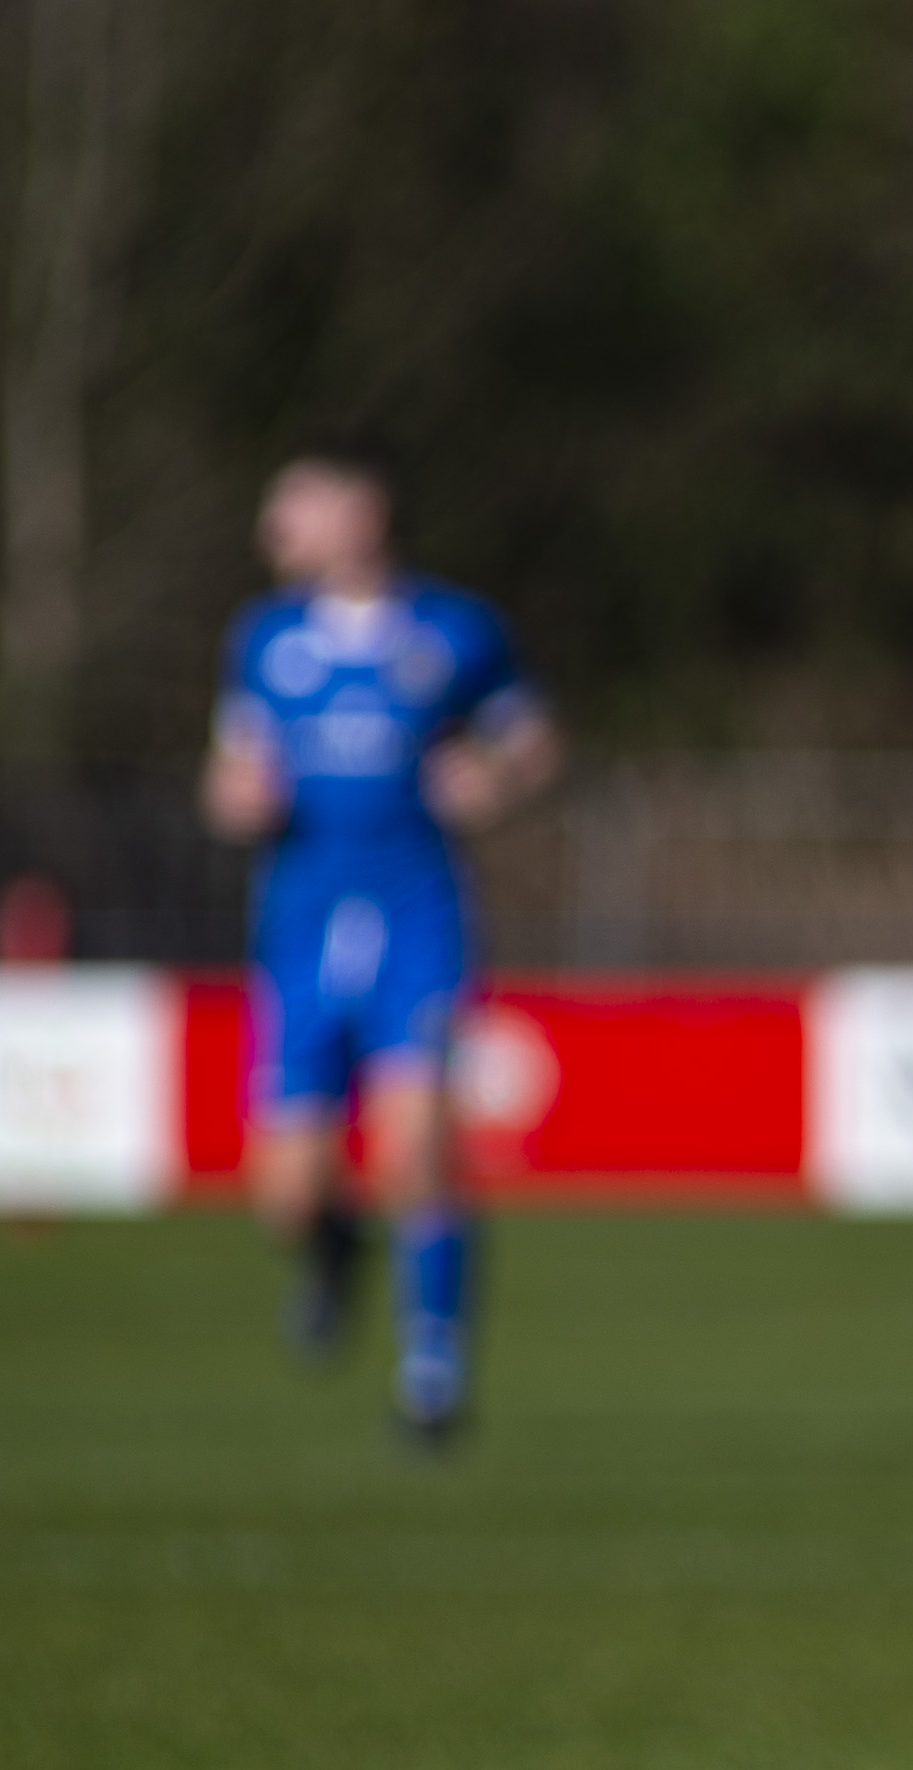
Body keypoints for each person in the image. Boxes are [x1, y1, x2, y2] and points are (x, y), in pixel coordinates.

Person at [201, 438, 560, 1442]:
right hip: (302, 926)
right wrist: (238, 797)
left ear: (359, 515)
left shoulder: (452, 631)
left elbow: (533, 740)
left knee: (416, 1151)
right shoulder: (264, 640)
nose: (275, 529)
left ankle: (432, 1372)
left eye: (295, 507)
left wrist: (494, 778)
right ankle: (331, 1247)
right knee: (285, 1195)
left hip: (417, 918)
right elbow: (226, 771)